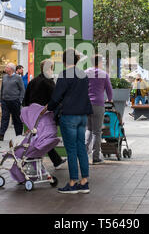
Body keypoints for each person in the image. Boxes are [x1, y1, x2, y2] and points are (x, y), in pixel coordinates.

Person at [47, 48, 93, 194]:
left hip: (69, 116)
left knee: (71, 150)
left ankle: (72, 183)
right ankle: (84, 182)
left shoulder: (64, 75)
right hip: (82, 116)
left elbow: (56, 97)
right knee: (81, 149)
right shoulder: (84, 75)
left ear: (64, 60)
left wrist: (48, 107)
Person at [22, 59, 66, 170]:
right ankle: (28, 161)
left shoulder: (33, 81)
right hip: (45, 115)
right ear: (50, 68)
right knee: (44, 138)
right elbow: (55, 99)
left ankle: (56, 161)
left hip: (32, 115)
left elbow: (26, 100)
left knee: (40, 137)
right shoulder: (49, 82)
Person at [85, 54, 113, 165]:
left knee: (88, 129)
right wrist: (110, 99)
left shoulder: (85, 73)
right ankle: (95, 157)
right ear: (100, 62)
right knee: (97, 132)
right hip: (98, 104)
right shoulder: (103, 74)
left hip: (86, 105)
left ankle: (83, 154)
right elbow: (109, 90)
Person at [0, 63, 25, 141]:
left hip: (15, 101)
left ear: (11, 69)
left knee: (16, 119)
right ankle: (1, 134)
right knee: (4, 118)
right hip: (5, 102)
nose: (5, 68)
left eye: (6, 67)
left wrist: (20, 100)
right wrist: (1, 100)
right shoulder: (4, 77)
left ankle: (19, 136)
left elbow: (22, 90)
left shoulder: (18, 78)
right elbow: (2, 89)